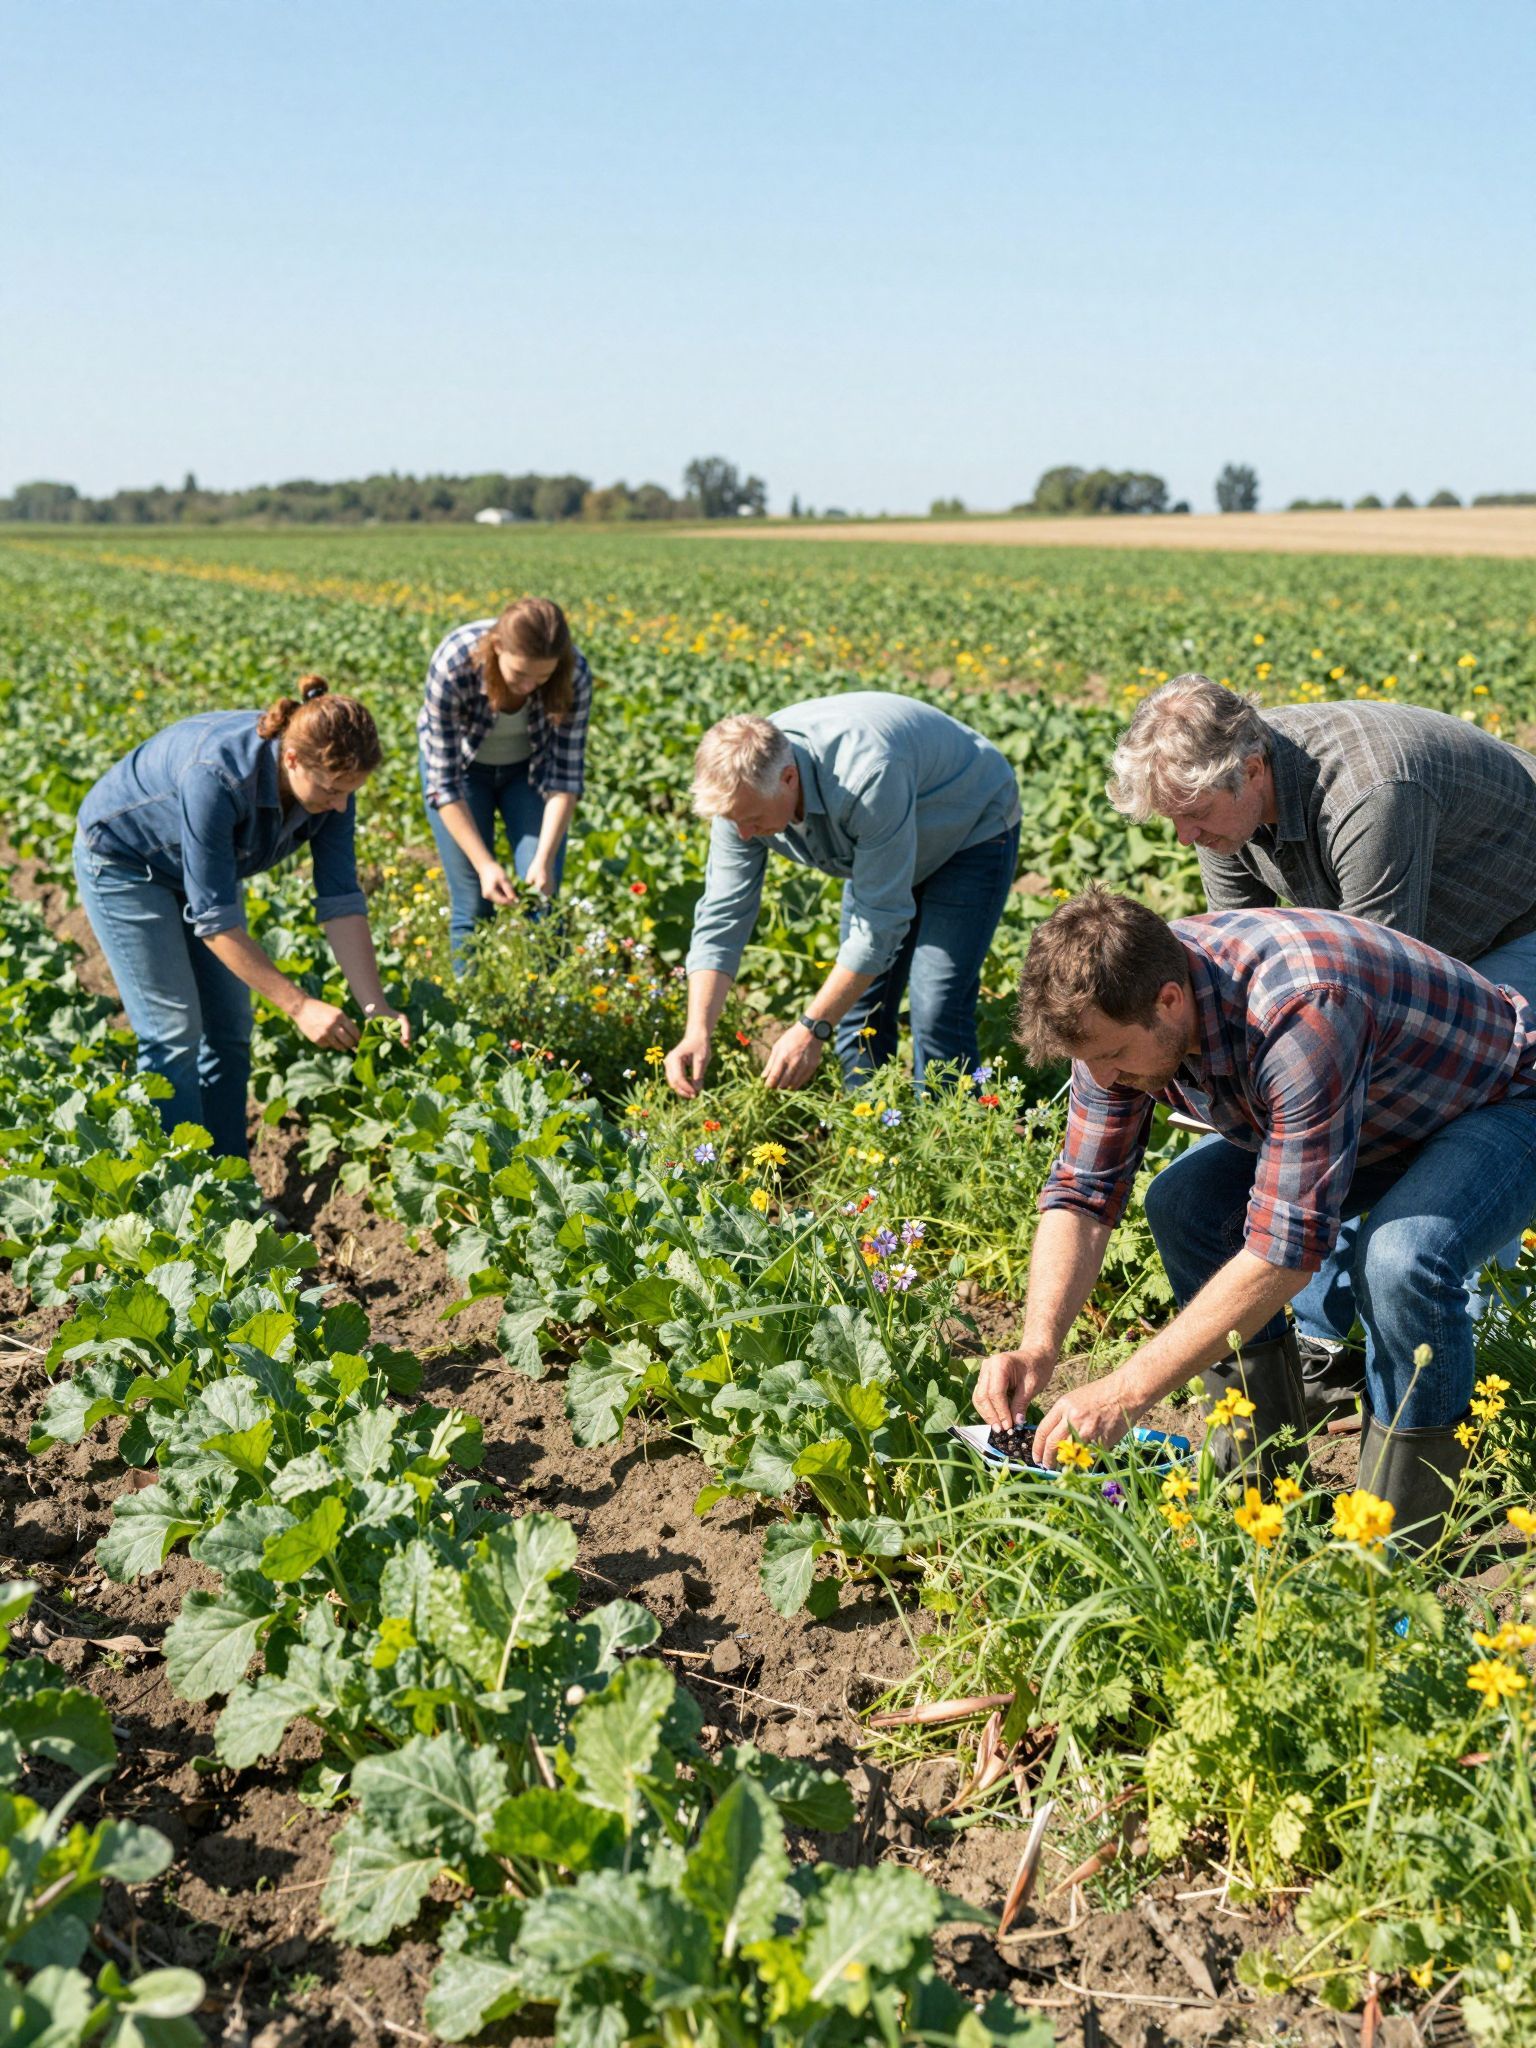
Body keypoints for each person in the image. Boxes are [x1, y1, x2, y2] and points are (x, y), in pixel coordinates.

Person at [972, 886, 1536, 1544]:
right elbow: (1083, 1191)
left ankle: (1403, 1534)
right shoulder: (1118, 1011)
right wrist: (1037, 1346)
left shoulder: (1299, 1009)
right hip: (1374, 1114)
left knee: (1399, 1259)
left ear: (1169, 1002)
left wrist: (1125, 1393)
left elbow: (1285, 1255)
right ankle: (1264, 1489)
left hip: (1498, 1100)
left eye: (1114, 1056)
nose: (1103, 1078)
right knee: (1185, 1205)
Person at [1108, 676, 1536, 1411]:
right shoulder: (1222, 807)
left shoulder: (1371, 793)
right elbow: (1234, 971)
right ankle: (1322, 1342)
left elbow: (1372, 1004)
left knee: (1460, 1118)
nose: (1184, 837)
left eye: (1194, 817)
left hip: (1516, 919)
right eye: (1173, 819)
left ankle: (1483, 1357)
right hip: (1417, 934)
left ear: (1252, 770)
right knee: (1308, 1105)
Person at [74, 679, 406, 1161]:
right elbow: (214, 921)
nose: (339, 804)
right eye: (332, 791)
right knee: (172, 1031)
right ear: (291, 760)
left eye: (348, 792)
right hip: (125, 862)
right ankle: (179, 1185)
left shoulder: (334, 785)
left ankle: (229, 1178)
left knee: (230, 1028)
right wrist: (299, 1006)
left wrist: (376, 1006)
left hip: (205, 867)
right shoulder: (216, 776)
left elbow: (340, 899)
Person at [663, 694, 1020, 1097]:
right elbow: (722, 915)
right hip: (883, 837)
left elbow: (879, 925)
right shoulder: (738, 800)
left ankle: (948, 1127)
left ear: (788, 778)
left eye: (752, 819)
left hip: (968, 824)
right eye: (734, 822)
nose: (744, 833)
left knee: (936, 1004)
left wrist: (811, 1027)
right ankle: (870, 1124)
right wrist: (697, 1031)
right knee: (858, 1008)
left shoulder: (864, 777)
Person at [418, 596, 592, 967]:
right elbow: (444, 784)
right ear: (497, 647)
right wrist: (485, 865)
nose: (529, 686)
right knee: (473, 902)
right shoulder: (454, 664)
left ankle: (546, 996)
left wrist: (544, 859)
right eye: (519, 674)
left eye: (541, 678)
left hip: (530, 773)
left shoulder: (573, 673)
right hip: (463, 772)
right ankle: (468, 998)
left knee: (542, 897)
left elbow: (565, 777)